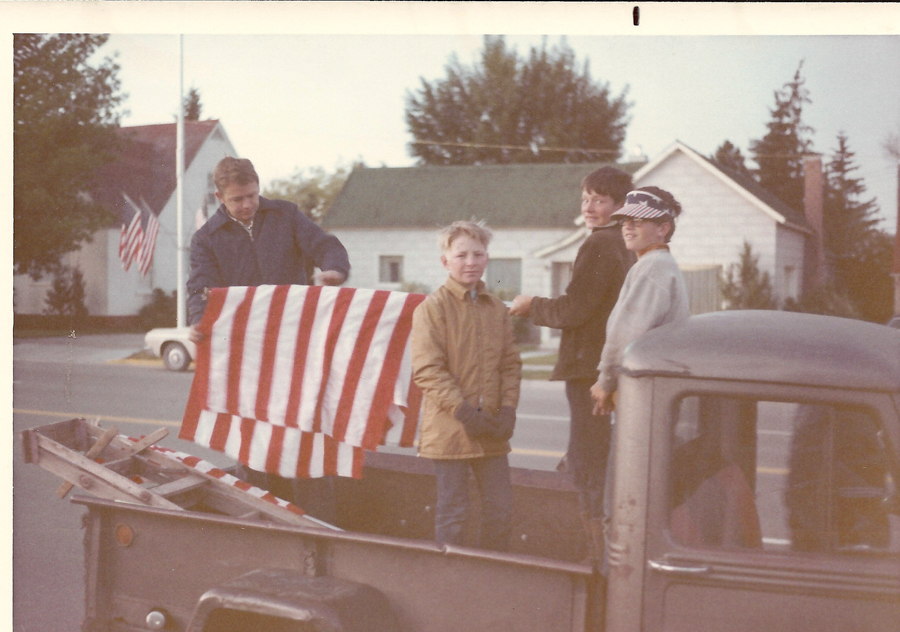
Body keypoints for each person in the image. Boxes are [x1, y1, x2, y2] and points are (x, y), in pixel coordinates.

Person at [186, 156, 351, 520]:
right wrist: (200, 322)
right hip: (247, 358)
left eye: (252, 196)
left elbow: (325, 245)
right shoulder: (205, 239)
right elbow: (200, 289)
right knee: (254, 442)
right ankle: (261, 522)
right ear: (219, 197)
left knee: (305, 437)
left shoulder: (287, 216)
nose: (247, 205)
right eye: (237, 199)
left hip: (297, 348)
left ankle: (320, 525)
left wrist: (334, 268)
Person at [508, 166, 634, 565]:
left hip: (587, 368)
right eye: (585, 199)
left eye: (599, 200)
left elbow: (576, 308)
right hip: (600, 366)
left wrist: (532, 308)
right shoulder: (623, 244)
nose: (589, 207)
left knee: (587, 457)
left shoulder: (600, 244)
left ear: (618, 205)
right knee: (590, 450)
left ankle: (593, 550)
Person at [590, 186, 690, 571]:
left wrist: (605, 382)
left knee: (620, 507)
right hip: (651, 402)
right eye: (625, 221)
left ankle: (615, 596)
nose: (628, 227)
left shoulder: (652, 270)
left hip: (640, 404)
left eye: (639, 221)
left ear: (664, 227)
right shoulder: (656, 266)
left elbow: (625, 335)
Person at [410, 221, 522, 551]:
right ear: (446, 261)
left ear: (487, 258)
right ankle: (451, 582)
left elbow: (510, 364)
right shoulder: (432, 309)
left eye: (478, 254)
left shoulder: (496, 310)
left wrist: (508, 409)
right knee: (454, 513)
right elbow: (428, 371)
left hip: (491, 430)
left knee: (500, 510)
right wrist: (463, 412)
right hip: (451, 430)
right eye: (461, 255)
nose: (470, 262)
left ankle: (492, 573)